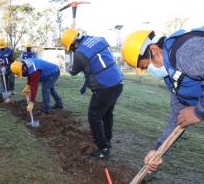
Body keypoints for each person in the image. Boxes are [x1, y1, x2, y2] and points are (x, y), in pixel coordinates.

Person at [121, 28, 204, 174]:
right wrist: (158, 149)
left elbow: (194, 113)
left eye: (146, 67)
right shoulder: (170, 77)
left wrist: (198, 112)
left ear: (154, 50)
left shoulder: (185, 50)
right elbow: (178, 115)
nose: (150, 71)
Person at [61, 29, 124, 160]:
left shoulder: (79, 53)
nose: (73, 51)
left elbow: (73, 71)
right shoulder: (99, 39)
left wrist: (68, 67)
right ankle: (107, 140)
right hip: (117, 83)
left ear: (75, 44)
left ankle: (104, 150)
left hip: (105, 87)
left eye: (71, 48)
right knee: (106, 114)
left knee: (94, 116)